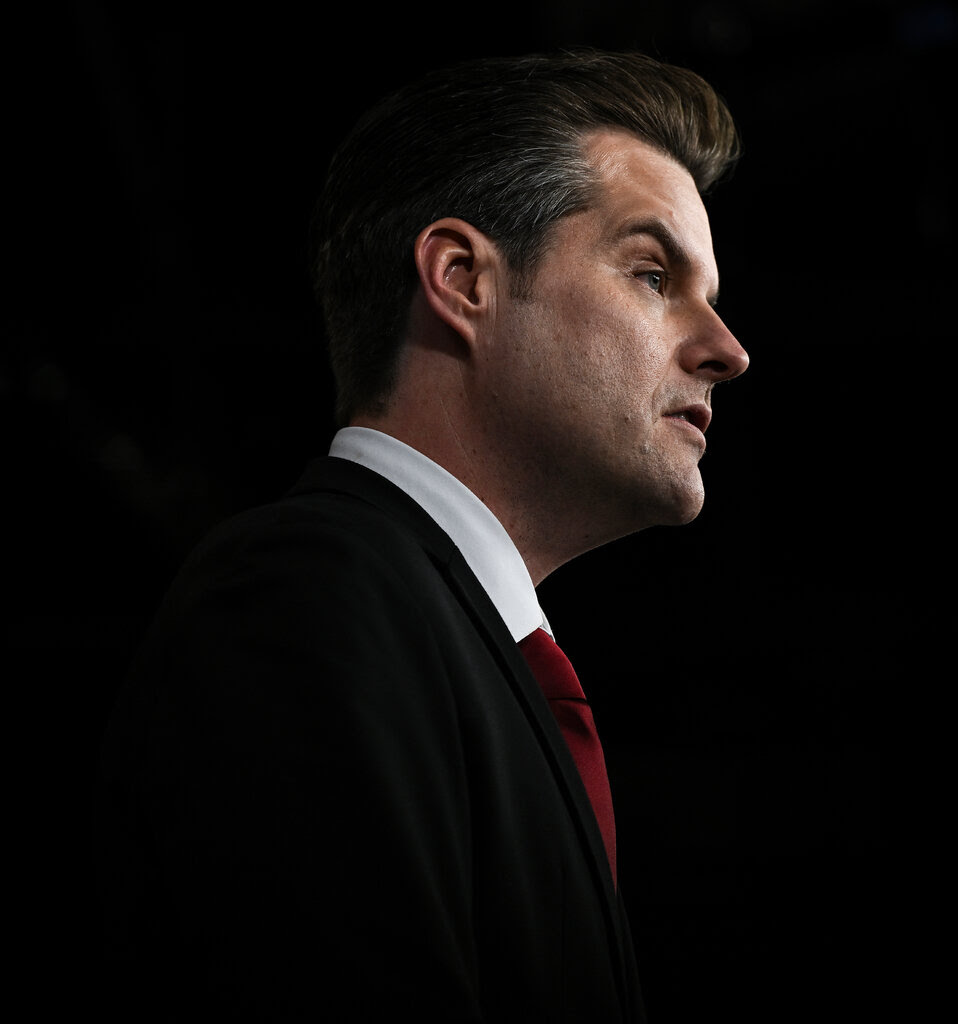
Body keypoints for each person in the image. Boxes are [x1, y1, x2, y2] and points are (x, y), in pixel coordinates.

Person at [93, 49, 749, 1021]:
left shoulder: (448, 639)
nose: (726, 350)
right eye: (653, 274)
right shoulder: (303, 593)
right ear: (461, 279)